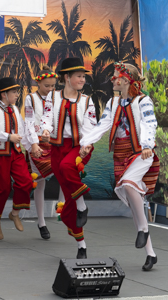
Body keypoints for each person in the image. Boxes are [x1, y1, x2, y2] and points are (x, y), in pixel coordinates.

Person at [80, 62, 160, 271]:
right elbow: (103, 125)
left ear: (125, 80)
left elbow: (149, 123)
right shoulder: (113, 103)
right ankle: (150, 253)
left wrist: (147, 145)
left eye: (116, 77)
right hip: (121, 153)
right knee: (132, 196)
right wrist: (87, 143)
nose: (112, 80)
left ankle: (142, 230)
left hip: (141, 152)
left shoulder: (143, 100)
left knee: (128, 183)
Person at [40, 57, 97, 259]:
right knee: (68, 202)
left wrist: (85, 147)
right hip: (57, 148)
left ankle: (83, 206)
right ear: (67, 77)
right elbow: (46, 118)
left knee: (66, 167)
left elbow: (90, 129)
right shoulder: (52, 98)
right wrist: (46, 130)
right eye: (79, 76)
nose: (82, 80)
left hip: (79, 147)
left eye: (83, 76)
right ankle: (81, 245)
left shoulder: (87, 101)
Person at [0, 77, 33, 240]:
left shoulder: (15, 109)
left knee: (26, 181)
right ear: (4, 94)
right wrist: (7, 136)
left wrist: (32, 146)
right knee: (2, 187)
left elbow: (22, 132)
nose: (17, 94)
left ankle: (14, 213)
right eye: (14, 92)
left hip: (15, 153)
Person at [23, 65, 65, 240]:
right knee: (39, 182)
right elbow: (29, 121)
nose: (50, 89)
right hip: (38, 143)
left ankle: (62, 208)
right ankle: (41, 222)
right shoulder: (30, 99)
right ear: (38, 82)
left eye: (53, 86)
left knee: (65, 171)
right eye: (47, 86)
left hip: (55, 141)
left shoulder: (58, 98)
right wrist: (33, 143)